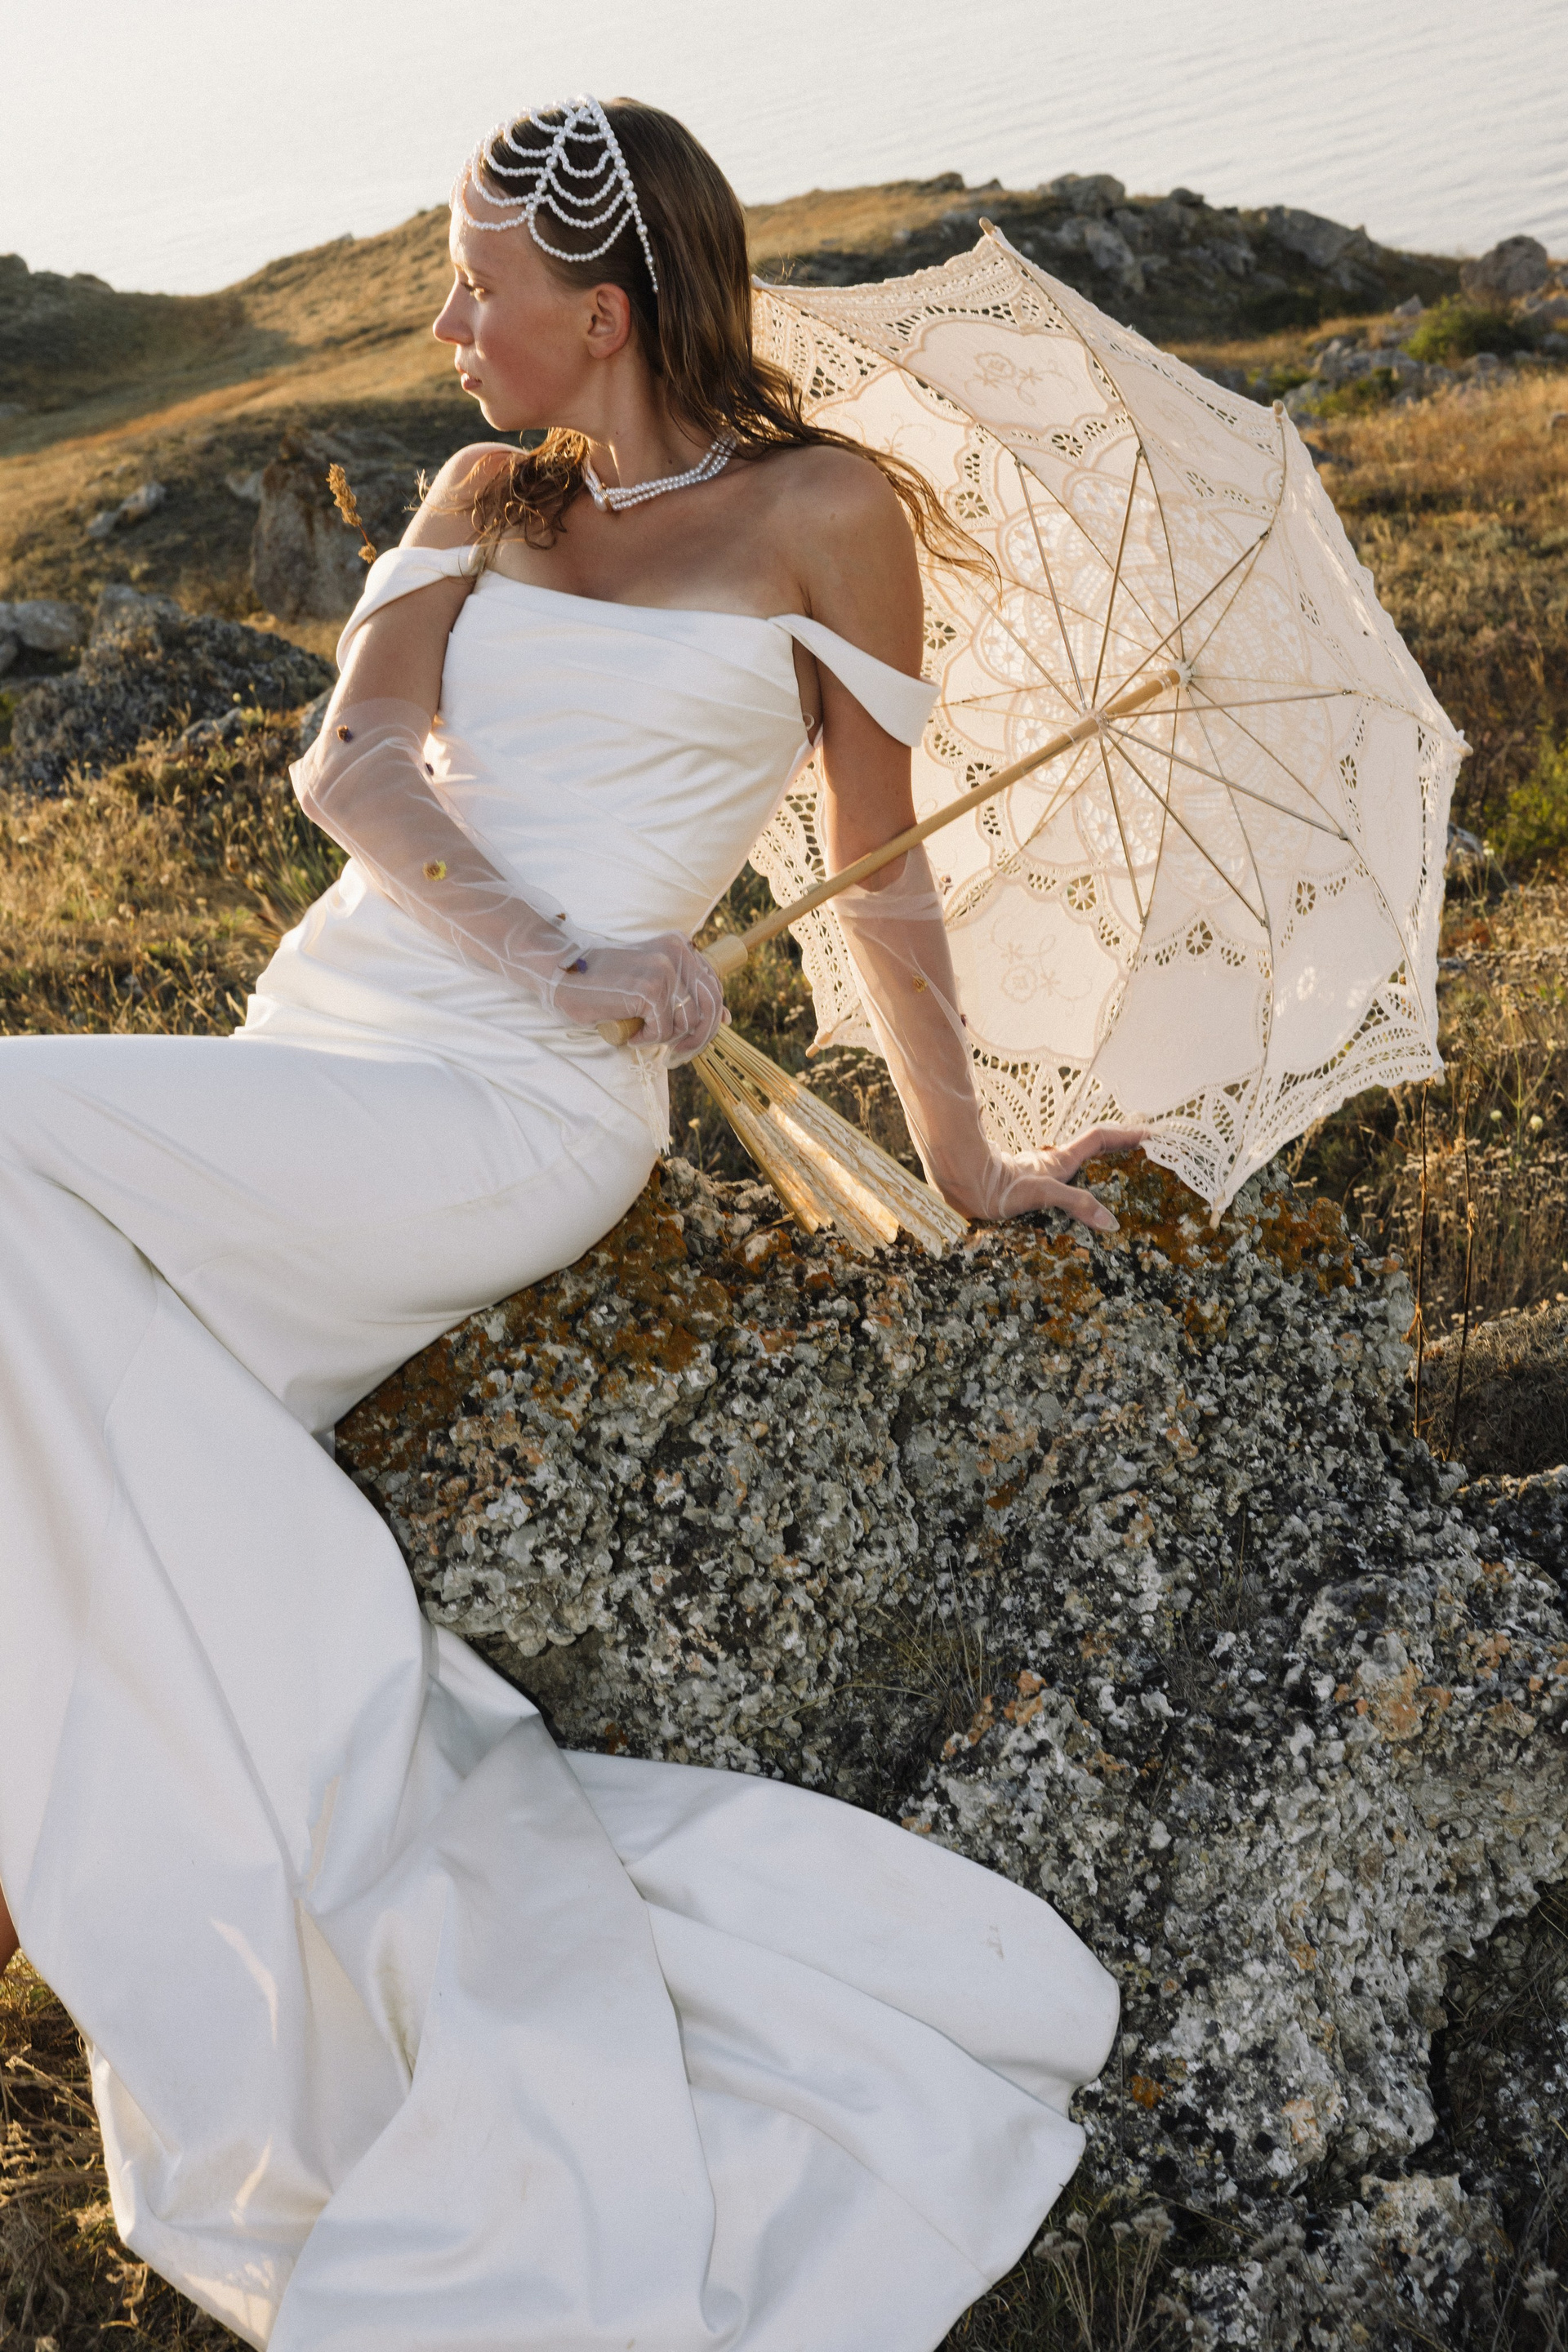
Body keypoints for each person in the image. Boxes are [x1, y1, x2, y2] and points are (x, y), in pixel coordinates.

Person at [0, 96, 1138, 2352]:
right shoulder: (479, 497)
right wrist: (559, 942)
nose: (447, 324)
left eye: (478, 283)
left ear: (602, 310)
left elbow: (885, 872)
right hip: (336, 1030)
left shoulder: (826, 515)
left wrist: (967, 1167)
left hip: (518, 1117)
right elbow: (349, 768)